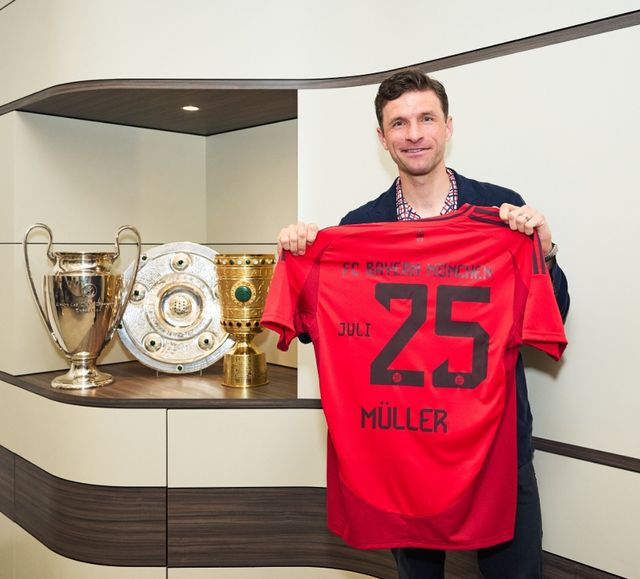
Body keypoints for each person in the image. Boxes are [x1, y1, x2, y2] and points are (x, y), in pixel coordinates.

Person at [277, 68, 570, 579]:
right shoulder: (359, 228)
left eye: (426, 119)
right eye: (399, 123)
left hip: (494, 444)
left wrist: (544, 251)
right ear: (382, 137)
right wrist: (302, 256)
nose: (414, 134)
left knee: (516, 573)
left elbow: (552, 315)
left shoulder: (500, 212)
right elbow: (316, 328)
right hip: (402, 451)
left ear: (448, 126)